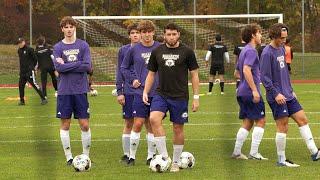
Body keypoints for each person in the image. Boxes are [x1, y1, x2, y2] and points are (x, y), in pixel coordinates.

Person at [260, 23, 320, 167]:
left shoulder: (282, 49)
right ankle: (281, 160)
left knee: (303, 119)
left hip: (288, 94)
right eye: (282, 38)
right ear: (274, 36)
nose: (284, 41)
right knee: (283, 126)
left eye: (285, 38)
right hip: (277, 97)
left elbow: (284, 72)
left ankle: (314, 152)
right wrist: (276, 94)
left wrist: (290, 89)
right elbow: (264, 77)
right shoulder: (267, 53)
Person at [143, 22, 200, 172]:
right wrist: (145, 91)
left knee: (177, 128)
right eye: (168, 34)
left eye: (174, 34)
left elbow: (194, 74)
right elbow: (151, 74)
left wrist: (196, 97)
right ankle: (164, 157)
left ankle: (175, 162)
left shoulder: (187, 51)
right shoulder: (157, 51)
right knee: (154, 119)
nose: (171, 37)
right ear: (164, 35)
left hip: (180, 96)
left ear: (178, 35)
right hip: (161, 94)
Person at [52, 16, 92, 166]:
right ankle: (69, 158)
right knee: (65, 124)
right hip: (64, 91)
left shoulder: (83, 45)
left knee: (85, 124)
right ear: (62, 29)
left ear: (75, 28)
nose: (69, 29)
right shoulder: (57, 47)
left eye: (71, 26)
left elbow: (87, 66)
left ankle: (86, 157)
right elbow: (58, 68)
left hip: (80, 90)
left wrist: (67, 65)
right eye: (66, 27)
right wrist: (77, 64)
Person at [121, 20, 160, 166]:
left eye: (149, 31)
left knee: (152, 123)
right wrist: (133, 79)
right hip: (139, 92)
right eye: (144, 32)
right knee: (137, 123)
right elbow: (124, 68)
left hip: (157, 92)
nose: (147, 34)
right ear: (141, 33)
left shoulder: (160, 48)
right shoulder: (134, 49)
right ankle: (132, 157)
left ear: (153, 32)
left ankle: (150, 156)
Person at [231, 24, 267, 160]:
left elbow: (236, 73)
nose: (260, 36)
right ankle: (254, 153)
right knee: (261, 120)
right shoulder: (251, 51)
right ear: (253, 35)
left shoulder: (244, 51)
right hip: (250, 93)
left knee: (248, 122)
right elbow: (245, 70)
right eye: (259, 33)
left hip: (241, 91)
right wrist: (254, 89)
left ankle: (237, 152)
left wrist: (246, 84)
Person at [116, 23, 141, 163]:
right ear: (129, 35)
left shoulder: (147, 50)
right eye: (132, 33)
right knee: (128, 122)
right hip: (129, 91)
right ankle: (126, 154)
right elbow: (119, 71)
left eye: (137, 32)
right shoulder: (123, 50)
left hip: (145, 91)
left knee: (149, 122)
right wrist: (120, 91)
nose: (135, 35)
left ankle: (152, 155)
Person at [17, 37, 47, 105]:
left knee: (34, 85)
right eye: (19, 43)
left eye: (21, 42)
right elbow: (21, 61)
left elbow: (35, 60)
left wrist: (34, 68)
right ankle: (22, 101)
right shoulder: (19, 50)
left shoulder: (30, 49)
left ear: (24, 42)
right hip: (22, 72)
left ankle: (43, 99)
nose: (20, 44)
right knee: (20, 86)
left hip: (29, 71)